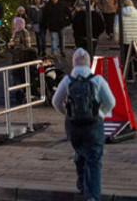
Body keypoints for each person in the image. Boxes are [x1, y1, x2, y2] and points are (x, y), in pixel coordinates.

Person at [52, 48, 116, 201]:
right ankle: (92, 196)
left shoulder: (67, 80)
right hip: (93, 124)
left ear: (74, 63)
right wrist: (100, 113)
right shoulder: (97, 80)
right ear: (88, 63)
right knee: (93, 159)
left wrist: (68, 114)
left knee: (80, 152)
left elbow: (56, 102)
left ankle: (81, 184)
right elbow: (111, 102)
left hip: (74, 126)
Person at [116, 0, 137, 69]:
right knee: (135, 57)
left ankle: (128, 74)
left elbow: (116, 29)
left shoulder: (119, 15)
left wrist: (117, 40)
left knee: (125, 58)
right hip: (135, 40)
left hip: (124, 40)